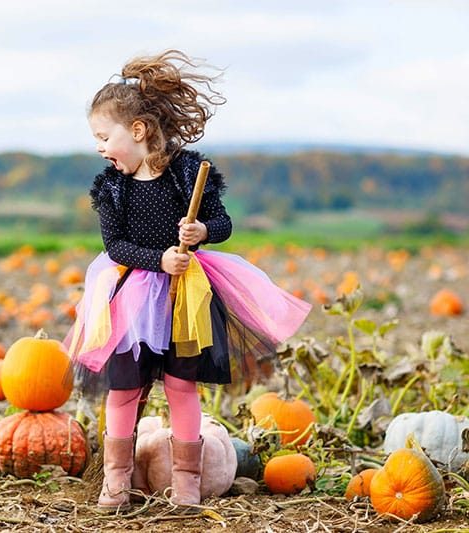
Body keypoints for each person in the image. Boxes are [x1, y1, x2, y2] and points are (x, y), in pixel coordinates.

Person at [64, 50, 311, 510]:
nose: (99, 147)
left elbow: (222, 223)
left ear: (138, 131)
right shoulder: (112, 186)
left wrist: (201, 232)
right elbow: (115, 247)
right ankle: (116, 482)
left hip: (187, 296)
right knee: (124, 388)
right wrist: (160, 260)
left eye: (104, 136)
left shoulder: (186, 172)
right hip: (134, 296)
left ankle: (186, 483)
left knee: (181, 385)